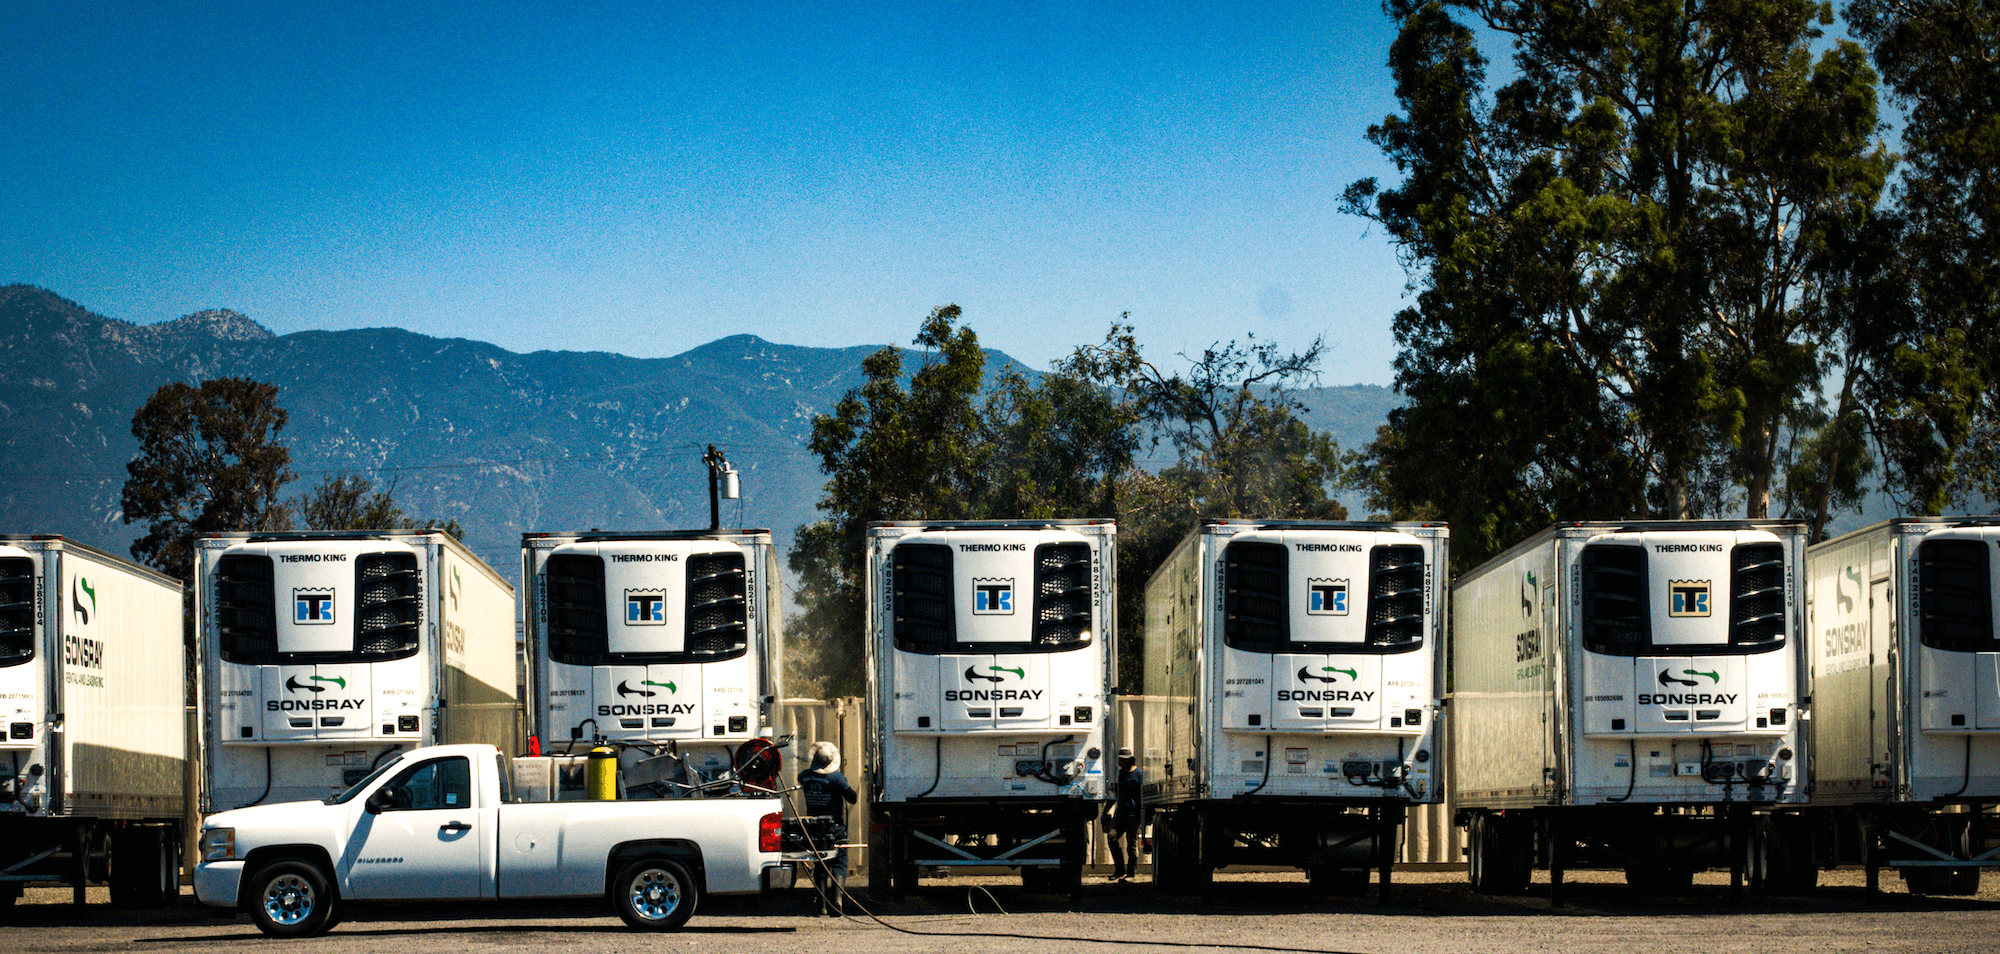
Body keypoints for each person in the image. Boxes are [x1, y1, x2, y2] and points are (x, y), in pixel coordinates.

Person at [797, 740, 858, 915]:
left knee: (821, 866)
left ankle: (822, 906)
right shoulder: (836, 778)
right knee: (839, 863)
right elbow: (852, 798)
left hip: (815, 828)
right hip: (835, 828)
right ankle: (837, 899)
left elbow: (803, 777)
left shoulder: (804, 776)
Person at [1106, 747, 1143, 882]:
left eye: (1124, 759)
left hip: (1134, 815)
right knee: (1112, 837)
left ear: (1130, 759)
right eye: (1120, 759)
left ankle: (1131, 873)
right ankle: (1119, 870)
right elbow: (1113, 794)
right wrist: (1106, 810)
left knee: (1131, 845)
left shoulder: (1139, 773)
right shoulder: (1119, 775)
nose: (1122, 762)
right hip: (1120, 813)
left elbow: (1143, 795)